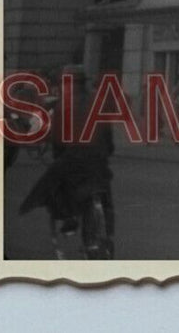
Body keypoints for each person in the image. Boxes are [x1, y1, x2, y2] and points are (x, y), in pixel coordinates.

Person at [19, 64, 116, 256]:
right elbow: (108, 136)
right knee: (104, 191)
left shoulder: (63, 106)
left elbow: (57, 141)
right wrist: (106, 150)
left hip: (75, 160)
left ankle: (69, 217)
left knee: (53, 183)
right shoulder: (98, 102)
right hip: (98, 161)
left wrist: (60, 156)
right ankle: (108, 232)